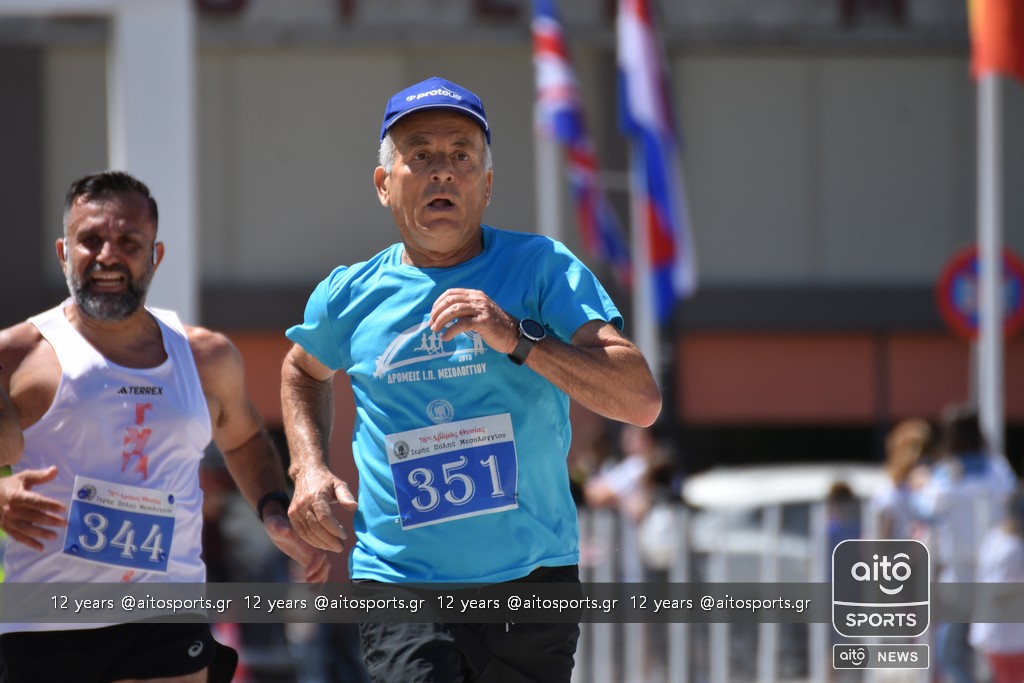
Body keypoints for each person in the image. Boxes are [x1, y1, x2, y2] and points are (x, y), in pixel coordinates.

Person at [281, 76, 662, 683]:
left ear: (486, 185)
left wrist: (516, 337)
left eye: (462, 155)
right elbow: (301, 370)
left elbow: (639, 400)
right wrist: (308, 466)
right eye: (420, 155)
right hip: (402, 583)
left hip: (533, 580)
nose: (443, 171)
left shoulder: (542, 268)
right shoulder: (348, 295)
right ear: (384, 184)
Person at [0, 171, 329, 683]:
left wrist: (271, 508)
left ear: (155, 256)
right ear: (63, 252)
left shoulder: (205, 357)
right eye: (90, 240)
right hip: (50, 621)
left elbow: (243, 437)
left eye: (128, 242)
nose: (108, 256)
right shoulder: (16, 357)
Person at [913, 404, 1018, 683]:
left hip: (960, 573)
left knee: (950, 653)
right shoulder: (997, 469)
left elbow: (926, 507)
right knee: (990, 651)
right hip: (994, 570)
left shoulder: (947, 474)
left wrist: (921, 485)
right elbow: (1010, 503)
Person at [970, 488, 1024, 683]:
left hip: (996, 632)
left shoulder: (995, 538)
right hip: (1006, 635)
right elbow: (996, 591)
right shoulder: (1012, 547)